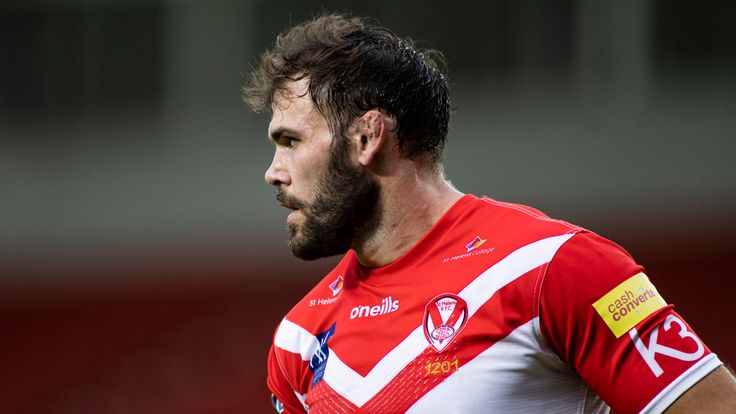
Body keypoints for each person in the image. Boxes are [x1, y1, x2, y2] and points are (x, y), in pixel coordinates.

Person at [243, 14, 736, 414]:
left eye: (290, 141)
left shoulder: (557, 269)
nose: (273, 172)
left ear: (367, 138)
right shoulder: (299, 344)